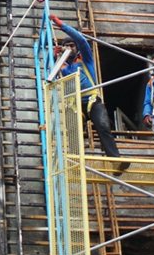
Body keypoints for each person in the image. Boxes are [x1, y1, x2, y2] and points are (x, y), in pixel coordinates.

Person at [49, 14, 129, 175]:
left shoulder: (86, 60)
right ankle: (74, 165)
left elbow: (82, 41)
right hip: (74, 103)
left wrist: (62, 25)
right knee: (73, 134)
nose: (70, 49)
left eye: (72, 46)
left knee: (103, 126)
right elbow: (48, 78)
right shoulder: (62, 68)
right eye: (67, 46)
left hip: (92, 100)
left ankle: (115, 161)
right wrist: (53, 57)